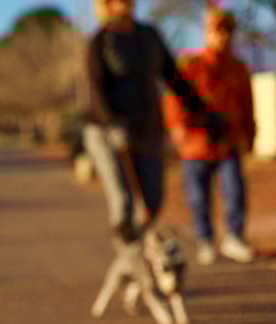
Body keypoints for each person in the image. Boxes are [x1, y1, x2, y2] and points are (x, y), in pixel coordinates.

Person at [84, 0, 227, 245]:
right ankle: (136, 267)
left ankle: (138, 259)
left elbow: (173, 78)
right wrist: (112, 123)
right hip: (109, 133)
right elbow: (95, 91)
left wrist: (204, 112)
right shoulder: (100, 42)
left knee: (153, 202)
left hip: (147, 130)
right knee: (123, 203)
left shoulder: (148, 36)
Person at [165, 8, 257, 264]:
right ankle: (205, 240)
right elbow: (174, 97)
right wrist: (177, 126)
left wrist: (250, 133)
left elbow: (247, 104)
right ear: (206, 33)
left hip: (227, 142)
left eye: (227, 31)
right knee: (197, 197)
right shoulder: (191, 65)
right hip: (196, 143)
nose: (223, 36)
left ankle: (234, 237)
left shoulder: (238, 68)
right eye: (217, 30)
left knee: (235, 190)